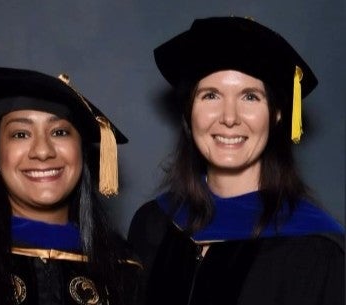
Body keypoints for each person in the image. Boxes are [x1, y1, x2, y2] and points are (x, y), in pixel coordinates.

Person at [128, 16, 345, 305]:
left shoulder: (315, 250)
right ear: (189, 112)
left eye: (250, 97)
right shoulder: (152, 225)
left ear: (277, 113)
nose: (229, 117)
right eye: (211, 95)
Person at [0, 66, 141, 305]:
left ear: (82, 154)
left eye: (59, 132)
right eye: (21, 134)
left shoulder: (123, 266)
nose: (43, 151)